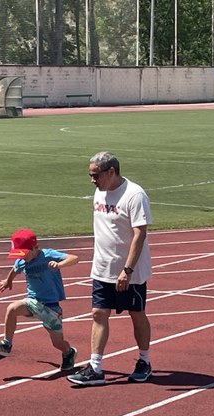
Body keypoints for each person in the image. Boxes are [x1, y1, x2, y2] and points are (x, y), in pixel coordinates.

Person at [67, 151, 154, 386]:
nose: (92, 180)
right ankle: (95, 367)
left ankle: (144, 361)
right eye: (90, 175)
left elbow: (140, 233)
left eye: (95, 175)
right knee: (98, 313)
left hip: (129, 272)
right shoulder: (99, 191)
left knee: (137, 315)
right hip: (102, 268)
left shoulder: (134, 195)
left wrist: (128, 269)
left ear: (111, 172)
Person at [0, 230, 78, 371]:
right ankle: (6, 344)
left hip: (51, 307)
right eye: (18, 254)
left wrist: (60, 265)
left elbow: (74, 258)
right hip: (33, 301)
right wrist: (8, 281)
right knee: (12, 308)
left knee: (57, 343)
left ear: (35, 248)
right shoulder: (21, 261)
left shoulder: (47, 255)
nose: (21, 258)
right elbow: (15, 269)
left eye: (24, 253)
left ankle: (68, 352)